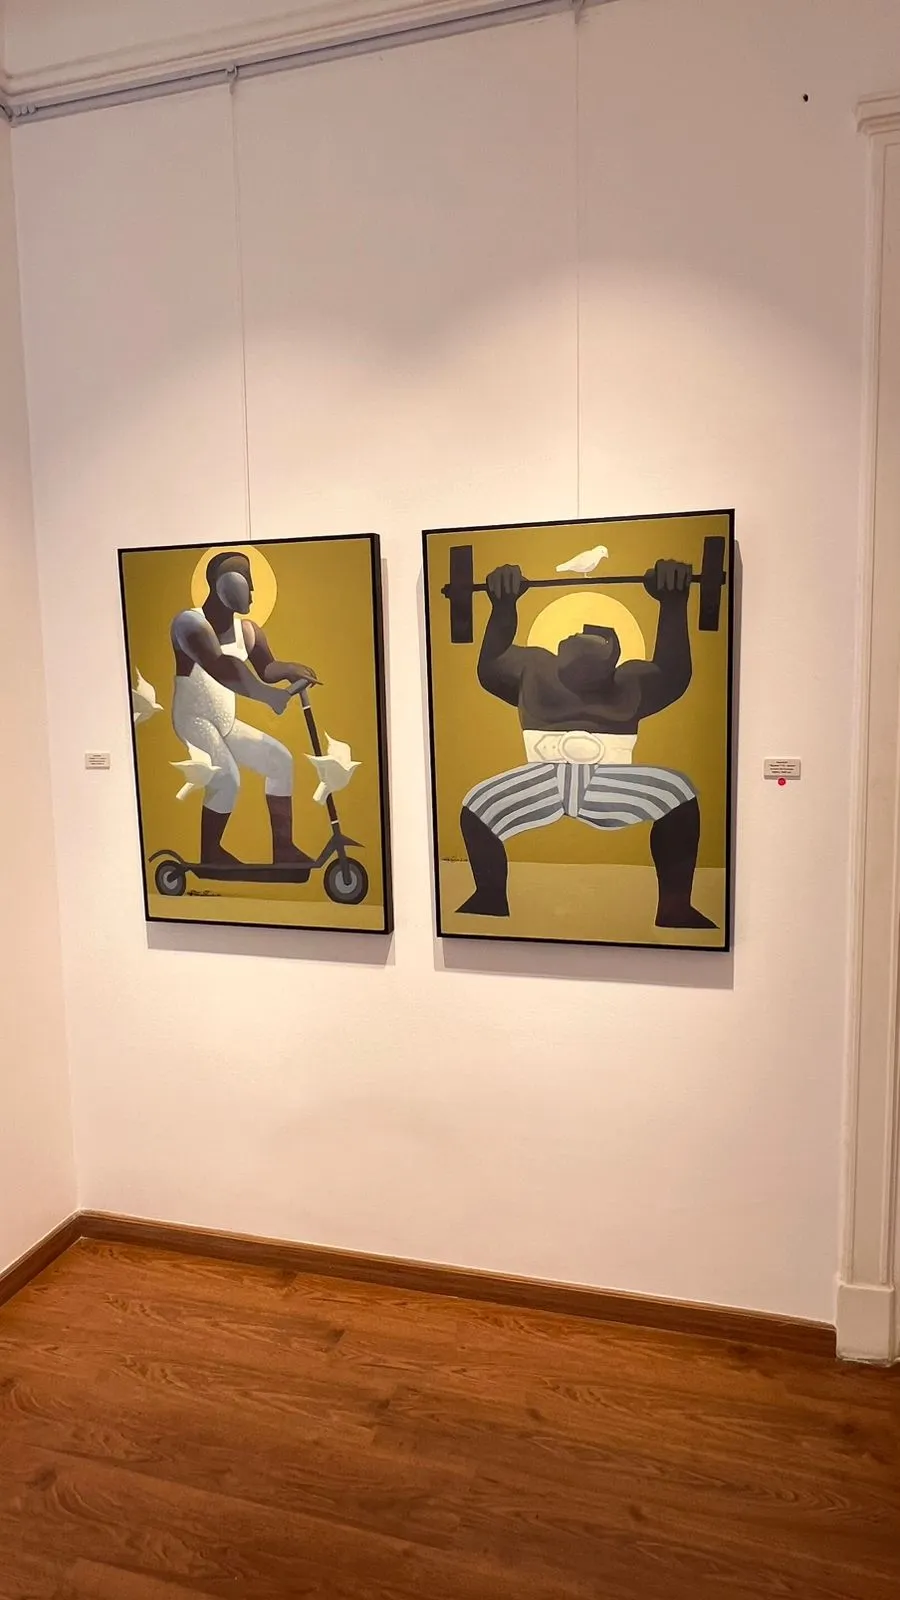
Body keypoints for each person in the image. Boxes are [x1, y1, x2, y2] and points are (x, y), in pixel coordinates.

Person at [458, 558, 716, 928]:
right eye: (577, 636)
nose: (584, 638)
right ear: (559, 645)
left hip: (610, 779)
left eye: (598, 637)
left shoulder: (631, 681)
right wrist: (503, 604)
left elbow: (674, 673)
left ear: (616, 652)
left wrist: (673, 603)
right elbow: (491, 666)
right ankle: (490, 897)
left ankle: (675, 906)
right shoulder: (534, 668)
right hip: (541, 775)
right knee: (476, 806)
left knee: (679, 792)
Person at [171, 550, 316, 867]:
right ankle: (211, 854)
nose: (252, 591)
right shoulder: (190, 624)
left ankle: (284, 849)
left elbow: (266, 668)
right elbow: (221, 666)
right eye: (247, 581)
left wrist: (290, 670)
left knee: (280, 760)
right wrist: (269, 697)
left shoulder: (247, 631)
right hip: (194, 720)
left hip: (225, 722)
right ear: (226, 582)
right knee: (226, 779)